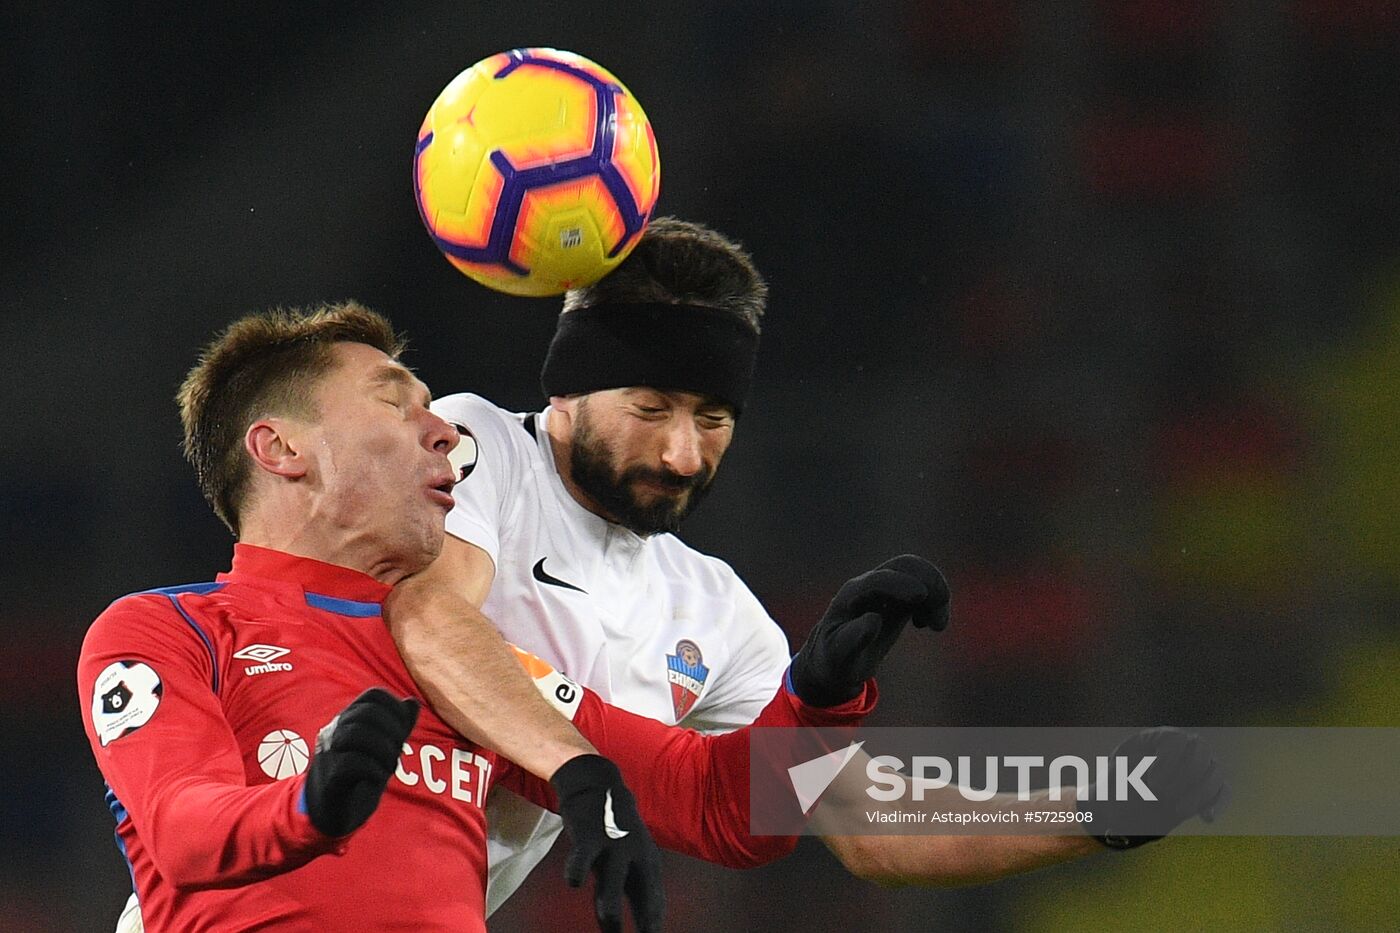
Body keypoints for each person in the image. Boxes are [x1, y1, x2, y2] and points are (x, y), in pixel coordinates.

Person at [384, 217, 1228, 913]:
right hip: (278, 869)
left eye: (714, 418)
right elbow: (434, 622)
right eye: (651, 409)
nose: (683, 454)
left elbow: (872, 823)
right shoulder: (475, 446)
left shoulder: (714, 613)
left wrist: (1090, 809)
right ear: (567, 388)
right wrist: (585, 772)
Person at [81, 302, 941, 932]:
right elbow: (182, 828)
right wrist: (308, 806)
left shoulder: (468, 668)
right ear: (281, 448)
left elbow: (713, 800)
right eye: (396, 403)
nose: (443, 432)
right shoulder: (165, 630)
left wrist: (818, 698)